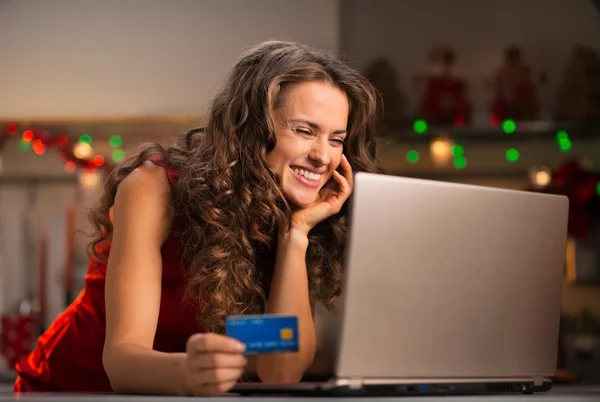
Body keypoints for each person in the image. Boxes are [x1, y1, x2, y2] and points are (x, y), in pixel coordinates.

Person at [13, 40, 379, 396]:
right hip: (70, 390)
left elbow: (280, 372)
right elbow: (121, 362)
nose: (322, 157)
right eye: (304, 131)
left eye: (336, 139)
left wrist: (295, 234)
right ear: (251, 127)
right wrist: (189, 370)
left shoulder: (291, 214)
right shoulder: (154, 188)